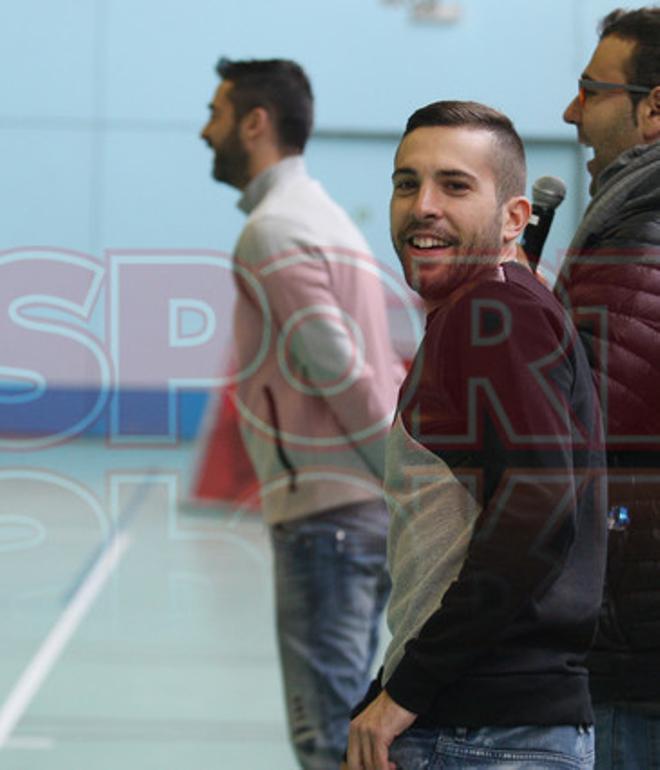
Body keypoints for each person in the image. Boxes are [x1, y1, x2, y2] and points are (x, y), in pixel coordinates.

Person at [345, 101, 607, 770]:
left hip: (484, 733)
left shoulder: (494, 312)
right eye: (408, 183)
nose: (422, 205)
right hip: (486, 720)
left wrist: (407, 688)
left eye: (455, 185)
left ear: (515, 218)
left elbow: (540, 500)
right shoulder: (496, 306)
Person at [200, 58, 402, 770]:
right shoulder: (322, 218)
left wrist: (401, 477)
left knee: (327, 742)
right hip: (350, 513)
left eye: (216, 114)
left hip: (329, 519)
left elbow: (341, 369)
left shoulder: (276, 230)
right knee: (346, 735)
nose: (205, 130)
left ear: (255, 123)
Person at [555, 7, 660, 768]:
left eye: (590, 92)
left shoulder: (637, 234)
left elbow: (579, 442)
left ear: (654, 106)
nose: (571, 112)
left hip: (629, 649)